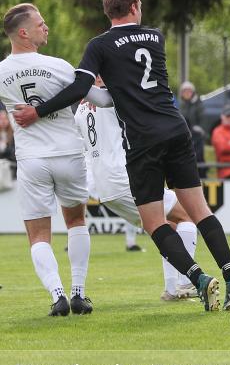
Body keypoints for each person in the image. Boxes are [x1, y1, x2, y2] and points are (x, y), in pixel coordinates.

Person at [12, 0, 230, 312]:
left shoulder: (100, 46)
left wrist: (38, 109)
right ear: (135, 6)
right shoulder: (156, 37)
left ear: (109, 10)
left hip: (142, 140)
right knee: (198, 211)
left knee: (154, 223)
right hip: (175, 128)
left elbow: (85, 87)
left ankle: (196, 279)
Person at [0, 3, 114, 316]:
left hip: (32, 160)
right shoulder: (60, 66)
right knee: (76, 222)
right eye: (41, 24)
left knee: (37, 235)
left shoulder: (2, 71)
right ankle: (79, 293)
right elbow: (102, 100)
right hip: (69, 154)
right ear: (23, 32)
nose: (46, 27)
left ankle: (57, 295)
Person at [74, 79, 199, 301]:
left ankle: (172, 289)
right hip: (123, 176)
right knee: (187, 214)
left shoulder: (81, 108)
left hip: (101, 184)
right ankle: (185, 283)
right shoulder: (115, 96)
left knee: (167, 225)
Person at [178, 81, 207, 179]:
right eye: (184, 91)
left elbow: (202, 119)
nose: (187, 93)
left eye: (189, 91)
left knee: (198, 157)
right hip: (185, 135)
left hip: (197, 135)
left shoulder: (198, 104)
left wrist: (200, 129)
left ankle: (201, 176)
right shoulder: (181, 105)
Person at [0, 109, 16, 191]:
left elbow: (14, 153)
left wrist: (6, 148)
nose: (3, 121)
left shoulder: (13, 134)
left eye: (5, 118)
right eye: (1, 119)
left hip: (12, 171)